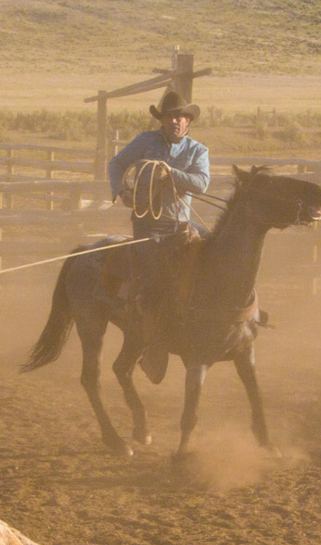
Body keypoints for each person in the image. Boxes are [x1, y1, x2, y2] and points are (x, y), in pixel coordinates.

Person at [106, 90, 211, 383]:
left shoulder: (197, 151)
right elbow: (116, 164)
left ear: (188, 121)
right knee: (155, 281)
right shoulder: (145, 141)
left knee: (215, 252)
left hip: (180, 225)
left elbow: (202, 183)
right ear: (162, 120)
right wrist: (122, 190)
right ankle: (154, 347)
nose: (176, 121)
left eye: (181, 117)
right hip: (148, 226)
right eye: (171, 117)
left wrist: (170, 173)